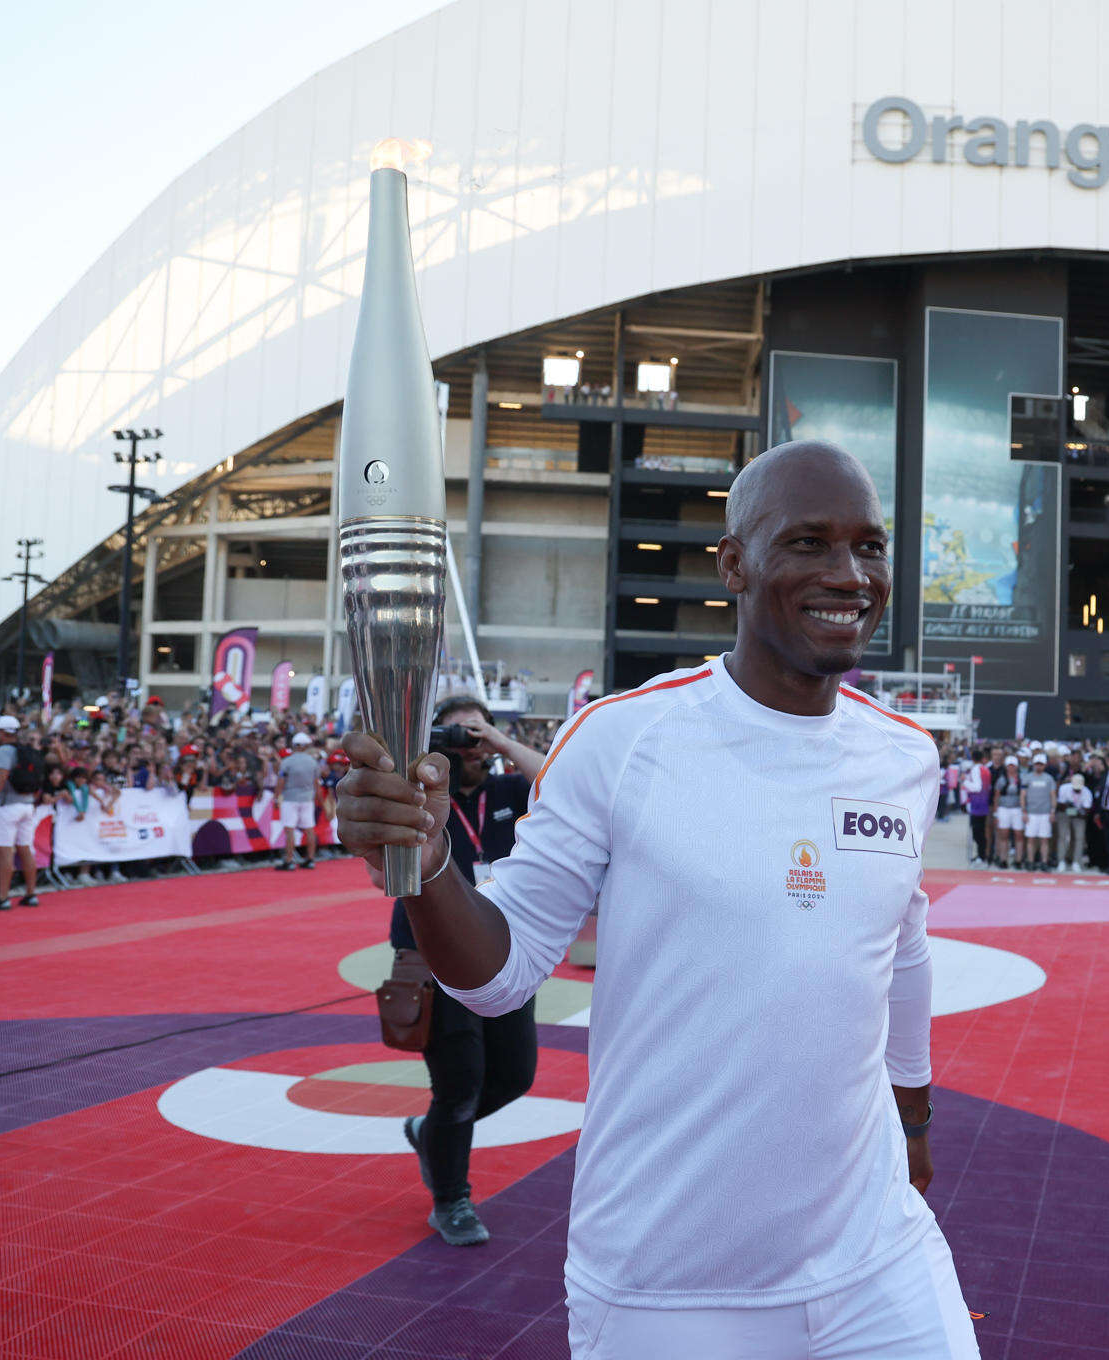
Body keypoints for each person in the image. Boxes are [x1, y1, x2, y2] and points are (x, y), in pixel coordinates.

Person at [336, 440, 978, 1359]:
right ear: (733, 563)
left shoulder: (906, 756)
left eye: (869, 547)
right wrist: (432, 863)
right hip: (665, 1284)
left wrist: (913, 1120)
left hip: (876, 1262)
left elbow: (900, 949)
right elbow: (499, 974)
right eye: (807, 544)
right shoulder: (622, 742)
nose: (850, 575)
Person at [398, 695, 545, 1247]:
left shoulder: (509, 791)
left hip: (507, 953)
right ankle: (451, 1200)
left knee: (515, 1076)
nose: (466, 746)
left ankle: (431, 1135)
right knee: (460, 1086)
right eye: (453, 735)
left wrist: (502, 743)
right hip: (433, 956)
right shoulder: (421, 797)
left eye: (474, 733)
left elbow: (563, 780)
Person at [0, 716, 45, 911]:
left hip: (8, 806)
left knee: (4, 851)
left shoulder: (4, 750)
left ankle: (2, 897)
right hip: (27, 804)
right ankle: (31, 894)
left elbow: (1, 777)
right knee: (25, 848)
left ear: (2, 732)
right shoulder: (26, 750)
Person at [273, 733, 322, 871]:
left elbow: (281, 781)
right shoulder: (313, 762)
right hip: (307, 799)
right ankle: (310, 859)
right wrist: (319, 800)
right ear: (306, 746)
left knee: (289, 830)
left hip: (290, 798)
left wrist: (276, 797)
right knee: (310, 829)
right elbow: (316, 783)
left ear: (294, 745)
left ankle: (289, 861)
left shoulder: (287, 761)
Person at [1021, 752, 1058, 870]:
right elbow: (1023, 796)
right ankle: (1030, 862)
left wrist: (1052, 811)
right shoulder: (1027, 778)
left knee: (1044, 839)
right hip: (1031, 813)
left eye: (1041, 764)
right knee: (1031, 839)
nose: (1038, 766)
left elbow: (1053, 795)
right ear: (1033, 764)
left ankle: (1044, 862)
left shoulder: (1049, 779)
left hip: (1045, 814)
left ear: (1044, 765)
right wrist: (1024, 811)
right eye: (1037, 764)